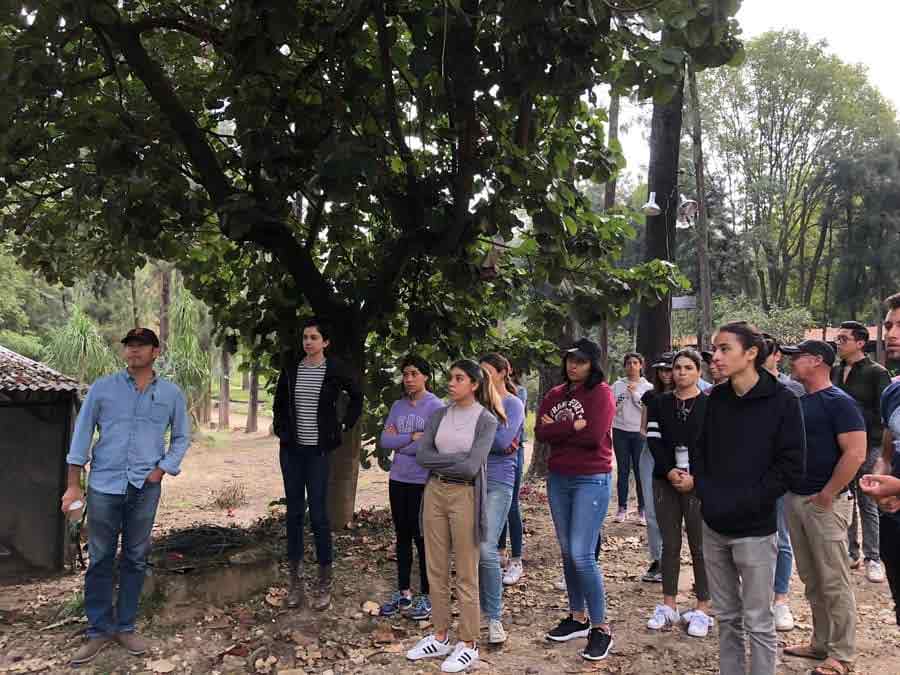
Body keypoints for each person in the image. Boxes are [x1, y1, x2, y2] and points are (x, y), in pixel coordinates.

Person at [62, 328, 190, 666]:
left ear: (155, 352)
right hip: (105, 484)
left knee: (135, 556)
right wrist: (74, 485)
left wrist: (162, 469)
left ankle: (126, 625)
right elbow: (82, 434)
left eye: (141, 346)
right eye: (129, 346)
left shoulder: (171, 394)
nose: (133, 351)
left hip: (145, 486)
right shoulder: (103, 389)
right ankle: (98, 629)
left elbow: (181, 437)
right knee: (101, 556)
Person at [693, 321, 805, 675]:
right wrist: (707, 495)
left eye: (725, 349)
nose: (716, 357)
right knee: (726, 618)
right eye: (715, 350)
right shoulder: (714, 400)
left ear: (752, 353)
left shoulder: (783, 400)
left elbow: (790, 465)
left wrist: (750, 500)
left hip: (755, 528)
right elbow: (701, 453)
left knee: (758, 620)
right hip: (714, 524)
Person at [406, 359, 503, 673]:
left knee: (465, 570)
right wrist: (452, 459)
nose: (451, 383)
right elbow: (422, 456)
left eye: (459, 378)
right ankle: (440, 634)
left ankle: (469, 642)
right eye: (450, 377)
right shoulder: (438, 414)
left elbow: (471, 467)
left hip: (465, 495)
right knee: (434, 567)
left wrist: (441, 460)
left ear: (474, 385)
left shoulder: (485, 420)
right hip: (434, 492)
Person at [778, 339, 866, 675]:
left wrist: (827, 494)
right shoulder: (801, 401)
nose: (791, 363)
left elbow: (856, 453)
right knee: (812, 578)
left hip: (824, 504)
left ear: (816, 361)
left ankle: (841, 654)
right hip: (797, 499)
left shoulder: (839, 402)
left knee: (834, 580)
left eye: (796, 358)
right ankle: (820, 642)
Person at [272, 318, 363, 611]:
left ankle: (324, 579)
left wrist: (343, 425)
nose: (308, 342)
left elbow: (357, 396)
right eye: (305, 337)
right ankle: (295, 582)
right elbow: (279, 404)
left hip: (319, 453)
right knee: (295, 512)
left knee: (319, 515)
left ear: (325, 343)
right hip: (292, 451)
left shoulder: (334, 369)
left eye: (314, 337)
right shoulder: (292, 369)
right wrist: (281, 428)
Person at [539, 338, 615, 662]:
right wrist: (572, 425)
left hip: (591, 478)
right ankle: (577, 617)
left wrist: (559, 428)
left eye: (581, 361)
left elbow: (593, 435)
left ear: (593, 365)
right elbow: (541, 435)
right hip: (559, 478)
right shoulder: (555, 395)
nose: (573, 366)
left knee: (583, 554)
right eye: (571, 360)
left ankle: (601, 628)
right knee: (569, 552)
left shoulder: (602, 394)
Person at [644, 349, 712, 637]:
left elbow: (715, 446)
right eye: (677, 368)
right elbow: (653, 440)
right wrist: (670, 471)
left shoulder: (710, 405)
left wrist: (696, 478)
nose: (681, 373)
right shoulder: (660, 403)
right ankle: (668, 605)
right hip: (665, 480)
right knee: (669, 544)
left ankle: (702, 609)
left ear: (698, 372)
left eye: (688, 367)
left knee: (700, 545)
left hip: (699, 483)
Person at [378, 356, 445, 620]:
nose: (408, 379)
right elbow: (385, 440)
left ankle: (428, 595)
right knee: (402, 535)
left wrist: (401, 445)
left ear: (425, 376)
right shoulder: (398, 405)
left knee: (423, 537)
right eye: (405, 374)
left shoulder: (436, 407)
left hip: (422, 481)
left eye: (414, 374)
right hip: (398, 479)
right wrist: (410, 438)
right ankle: (404, 592)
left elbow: (429, 445)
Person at [831, 320, 890, 583]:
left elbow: (884, 412)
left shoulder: (877, 373)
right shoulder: (834, 371)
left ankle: (873, 557)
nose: (839, 343)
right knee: (845, 497)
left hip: (870, 444)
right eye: (838, 339)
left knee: (867, 500)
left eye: (844, 339)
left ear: (860, 343)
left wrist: (850, 409)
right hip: (839, 445)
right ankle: (851, 551)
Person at [476, 353, 525, 643]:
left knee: (486, 548)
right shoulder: (472, 403)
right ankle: (473, 613)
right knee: (469, 550)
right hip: (468, 479)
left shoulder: (512, 404)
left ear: (503, 372)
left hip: (497, 481)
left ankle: (494, 618)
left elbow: (502, 442)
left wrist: (475, 434)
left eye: (487, 372)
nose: (482, 378)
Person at [860, 292, 900, 627]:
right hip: (894, 522)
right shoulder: (893, 391)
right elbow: (887, 452)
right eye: (889, 325)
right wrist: (879, 480)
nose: (892, 333)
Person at [761, 333, 803, 632]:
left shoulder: (794, 390)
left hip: (779, 476)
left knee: (781, 538)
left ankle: (780, 599)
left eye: (767, 351)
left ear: (777, 355)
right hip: (746, 476)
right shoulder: (735, 390)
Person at [632, 354, 674, 583]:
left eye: (670, 369)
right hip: (651, 453)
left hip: (678, 455)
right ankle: (657, 559)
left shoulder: (687, 395)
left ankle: (672, 559)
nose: (666, 374)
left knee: (677, 513)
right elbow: (643, 427)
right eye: (662, 370)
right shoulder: (651, 396)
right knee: (651, 511)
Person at [611, 353, 654, 524]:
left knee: (639, 470)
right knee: (622, 470)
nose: (632, 366)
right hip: (620, 429)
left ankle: (642, 509)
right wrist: (623, 397)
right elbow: (612, 406)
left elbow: (646, 407)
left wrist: (635, 394)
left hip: (639, 431)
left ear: (641, 366)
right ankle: (622, 508)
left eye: (635, 363)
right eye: (628, 363)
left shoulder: (647, 386)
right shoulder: (617, 385)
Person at [498, 370, 528, 586]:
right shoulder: (483, 397)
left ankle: (516, 560)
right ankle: (499, 553)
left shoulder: (518, 395)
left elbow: (506, 436)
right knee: (495, 505)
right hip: (491, 458)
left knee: (511, 505)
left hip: (513, 453)